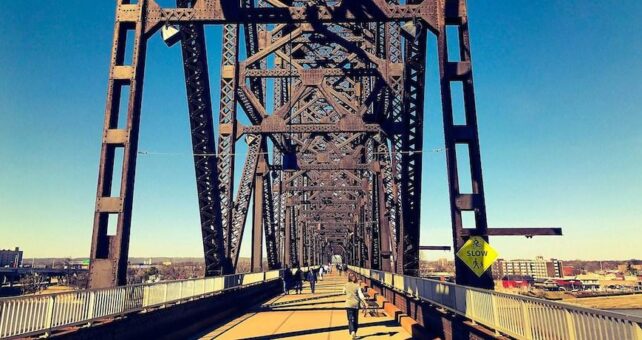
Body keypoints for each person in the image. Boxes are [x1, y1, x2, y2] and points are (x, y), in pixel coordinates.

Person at [344, 272, 366, 339]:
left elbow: (343, 291)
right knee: (355, 320)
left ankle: (352, 332)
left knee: (350, 319)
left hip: (348, 304)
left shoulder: (346, 285)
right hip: (355, 304)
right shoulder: (357, 286)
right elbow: (361, 295)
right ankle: (354, 333)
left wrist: (348, 292)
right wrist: (365, 302)